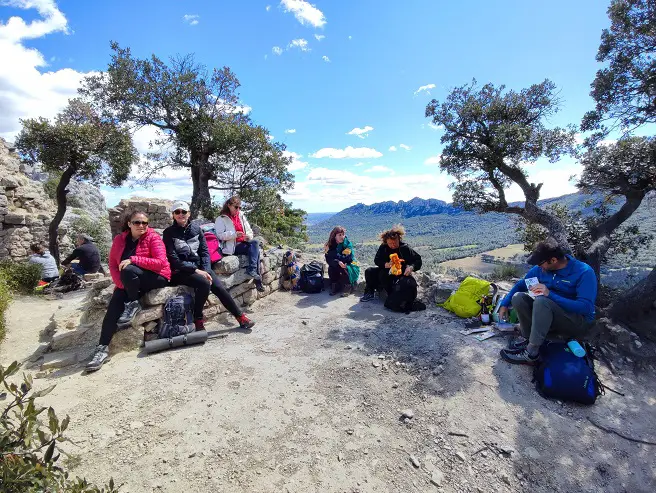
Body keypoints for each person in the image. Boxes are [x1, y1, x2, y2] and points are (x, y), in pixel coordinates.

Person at [86, 211, 171, 372]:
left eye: (145, 223)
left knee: (128, 269)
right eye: (137, 222)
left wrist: (133, 259)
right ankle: (102, 349)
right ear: (129, 224)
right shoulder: (120, 240)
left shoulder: (153, 238)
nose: (141, 226)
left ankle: (133, 303)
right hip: (130, 281)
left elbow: (160, 263)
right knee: (113, 309)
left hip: (156, 277)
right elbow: (112, 264)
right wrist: (121, 284)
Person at [498, 239, 598, 365]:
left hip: (576, 322)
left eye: (541, 263)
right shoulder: (541, 269)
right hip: (551, 315)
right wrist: (504, 304)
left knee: (542, 301)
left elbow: (586, 308)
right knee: (519, 298)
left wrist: (550, 295)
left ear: (553, 260)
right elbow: (520, 285)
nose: (538, 266)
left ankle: (531, 353)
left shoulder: (584, 272)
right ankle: (529, 339)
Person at [163, 201, 255, 331]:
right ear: (173, 215)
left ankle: (240, 317)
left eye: (184, 212)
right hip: (181, 271)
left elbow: (205, 253)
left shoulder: (197, 229)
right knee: (205, 282)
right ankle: (198, 318)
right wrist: (197, 271)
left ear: (189, 214)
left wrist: (206, 270)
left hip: (200, 267)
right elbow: (174, 259)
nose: (181, 214)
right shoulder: (168, 233)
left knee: (218, 286)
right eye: (177, 212)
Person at [214, 195, 264, 292]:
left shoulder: (241, 215)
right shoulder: (221, 218)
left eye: (239, 207)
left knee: (254, 244)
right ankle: (257, 280)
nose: (238, 209)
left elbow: (249, 230)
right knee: (256, 249)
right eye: (236, 207)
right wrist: (234, 235)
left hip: (243, 243)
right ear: (229, 205)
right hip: (232, 247)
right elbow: (219, 235)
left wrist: (248, 236)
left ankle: (253, 271)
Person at [360, 224, 422, 302]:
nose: (393, 245)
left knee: (383, 274)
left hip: (400, 272)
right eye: (390, 243)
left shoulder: (405, 248)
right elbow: (377, 260)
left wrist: (411, 267)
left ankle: (391, 295)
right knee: (369, 271)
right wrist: (386, 264)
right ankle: (369, 293)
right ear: (386, 242)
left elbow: (417, 260)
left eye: (395, 243)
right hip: (386, 268)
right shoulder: (384, 247)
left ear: (399, 239)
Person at [324, 226, 360, 296]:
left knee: (343, 267)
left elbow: (346, 258)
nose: (342, 237)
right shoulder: (330, 245)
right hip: (339, 262)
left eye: (343, 234)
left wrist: (332, 254)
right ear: (334, 236)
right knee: (331, 267)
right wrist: (337, 261)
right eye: (339, 235)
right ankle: (335, 286)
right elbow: (328, 259)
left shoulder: (347, 244)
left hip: (350, 263)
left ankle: (348, 287)